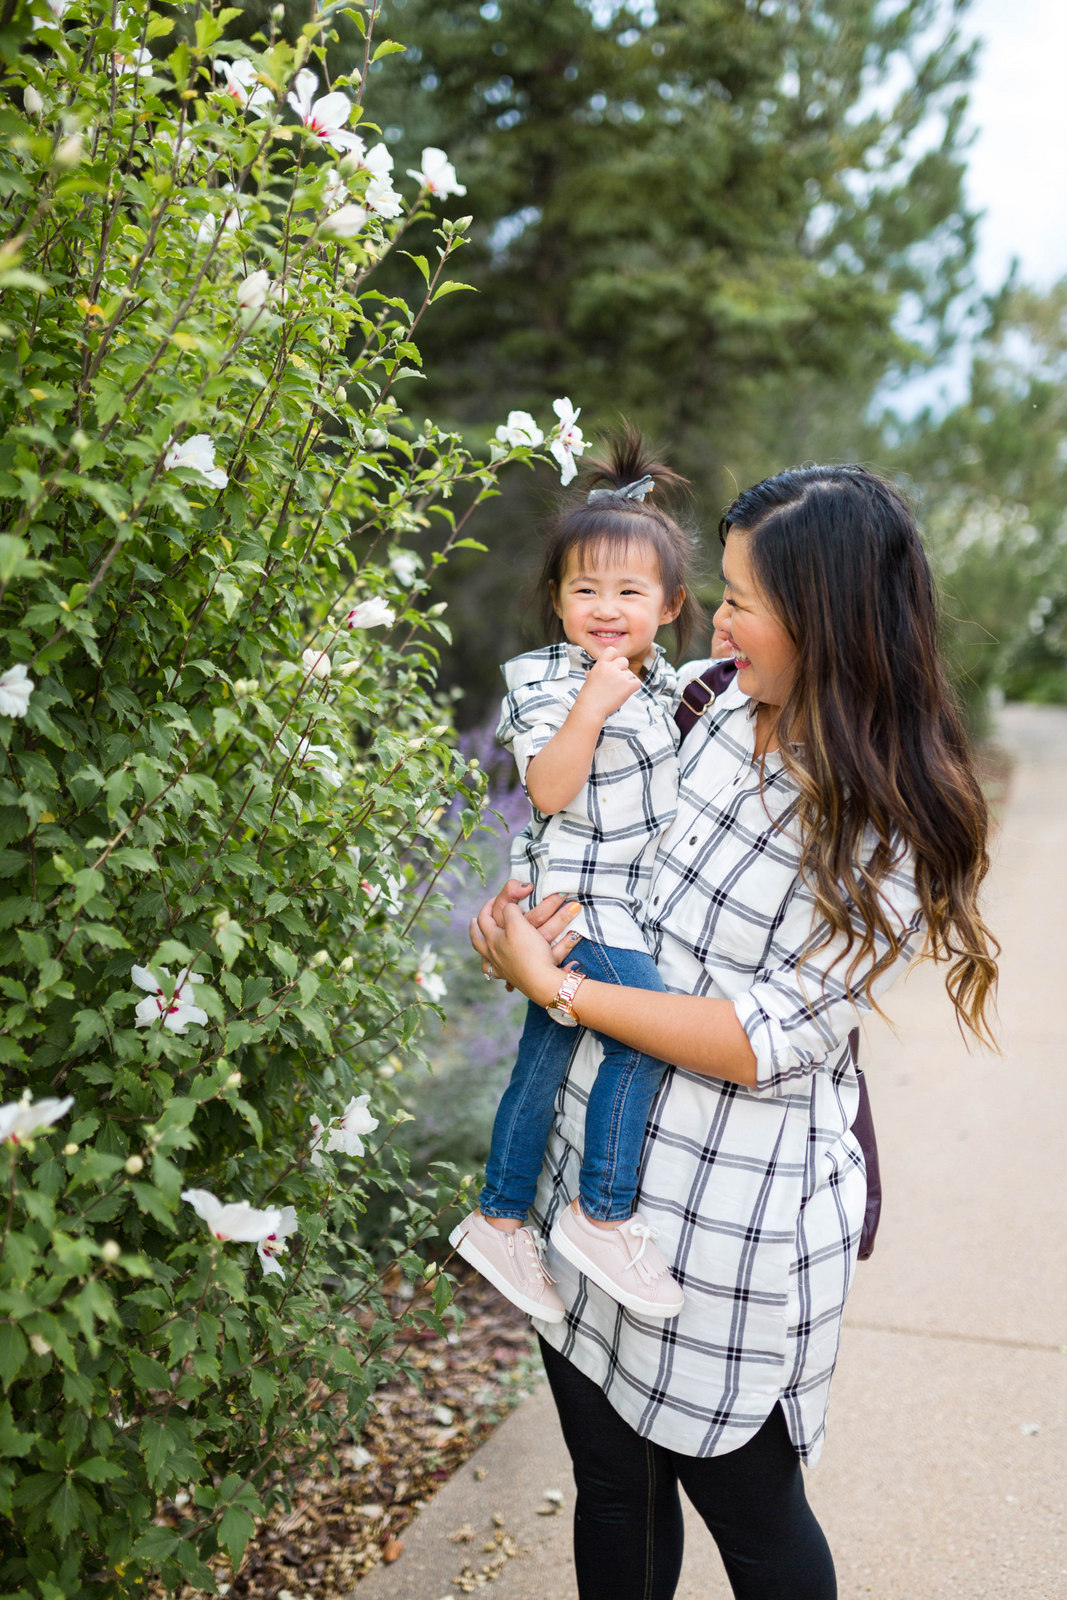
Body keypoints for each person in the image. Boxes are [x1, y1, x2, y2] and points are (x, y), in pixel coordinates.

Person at [470, 462, 998, 1600]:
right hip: (589, 1178)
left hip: (724, 1228)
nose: (714, 619)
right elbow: (587, 839)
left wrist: (559, 993)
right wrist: (525, 925)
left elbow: (767, 1036)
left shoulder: (884, 820)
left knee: (754, 1525)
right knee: (609, 1486)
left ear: (829, 620)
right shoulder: (700, 702)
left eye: (743, 599)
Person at [451, 433, 706, 1321]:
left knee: (542, 1062)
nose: (606, 607)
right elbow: (549, 790)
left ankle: (501, 1217)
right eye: (584, 589)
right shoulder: (545, 681)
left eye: (629, 591)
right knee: (646, 1034)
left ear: (669, 605)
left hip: (623, 907)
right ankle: (602, 1215)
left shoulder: (675, 684)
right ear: (556, 602)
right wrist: (593, 708)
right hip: (579, 906)